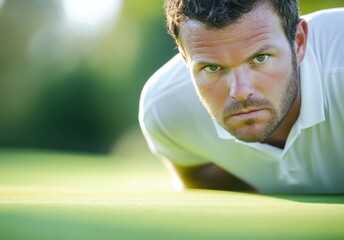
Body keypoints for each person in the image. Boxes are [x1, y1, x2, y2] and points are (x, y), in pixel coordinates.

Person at [139, 0, 344, 194]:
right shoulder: (165, 107)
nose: (240, 91)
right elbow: (198, 179)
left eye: (260, 58)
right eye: (212, 67)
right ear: (185, 59)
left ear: (298, 42)